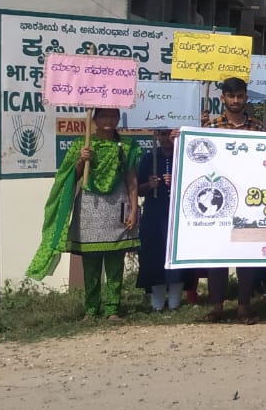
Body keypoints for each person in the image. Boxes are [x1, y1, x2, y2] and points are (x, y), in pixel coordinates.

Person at [30, 107, 140, 319]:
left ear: (119, 118)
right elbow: (70, 177)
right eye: (104, 116)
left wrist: (134, 209)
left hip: (117, 207)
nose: (109, 120)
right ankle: (91, 308)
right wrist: (81, 160)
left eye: (113, 116)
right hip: (90, 208)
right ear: (95, 119)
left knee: (115, 262)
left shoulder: (127, 146)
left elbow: (132, 180)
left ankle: (113, 308)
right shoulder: (82, 144)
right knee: (91, 262)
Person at [204, 77, 262, 323]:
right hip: (218, 198)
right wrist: (182, 137)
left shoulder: (257, 128)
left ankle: (243, 307)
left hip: (248, 200)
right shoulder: (210, 127)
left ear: (246, 97)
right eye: (231, 96)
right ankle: (217, 306)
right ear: (223, 98)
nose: (236, 101)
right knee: (217, 254)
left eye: (240, 96)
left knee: (245, 255)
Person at [136, 128, 183, 312]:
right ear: (156, 135)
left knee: (177, 255)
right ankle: (157, 300)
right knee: (154, 255)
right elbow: (138, 189)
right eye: (161, 134)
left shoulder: (184, 156)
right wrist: (150, 185)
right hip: (154, 213)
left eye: (168, 133)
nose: (165, 138)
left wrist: (177, 181)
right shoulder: (149, 158)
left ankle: (175, 300)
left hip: (178, 213)